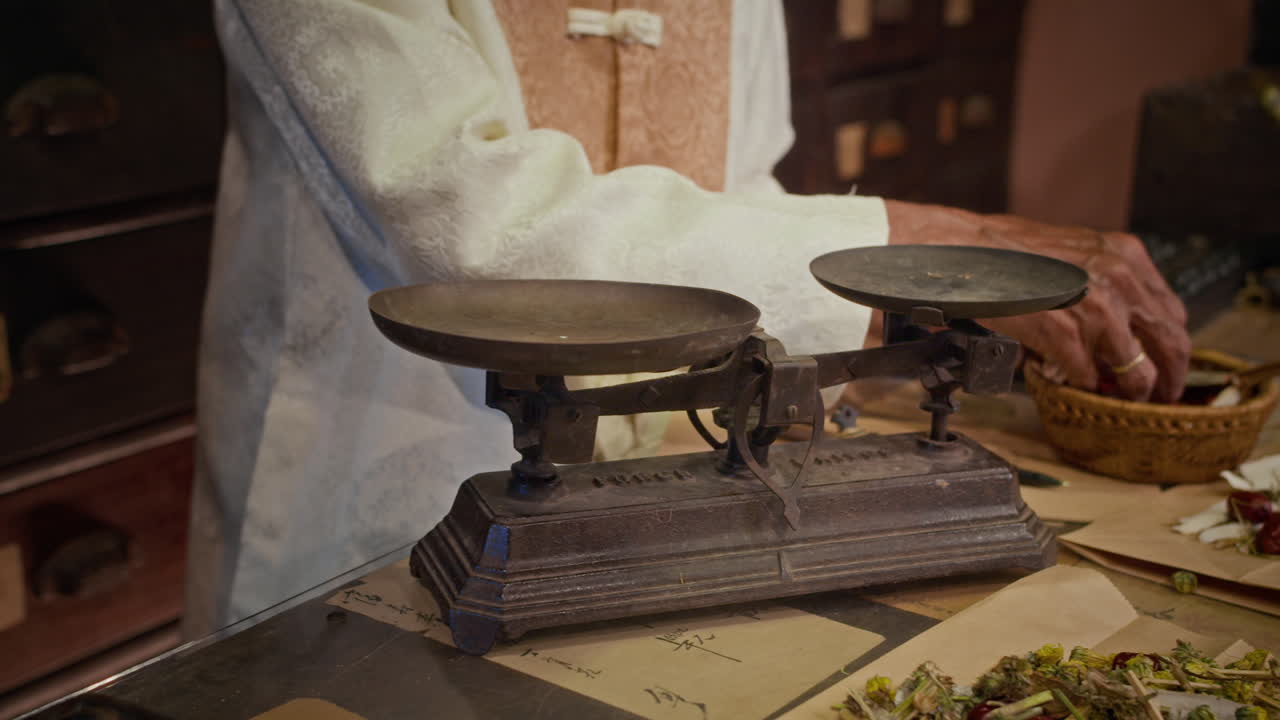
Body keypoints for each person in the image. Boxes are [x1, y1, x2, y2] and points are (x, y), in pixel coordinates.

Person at [186, 0, 1190, 637]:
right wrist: (926, 247)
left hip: (660, 513)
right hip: (377, 495)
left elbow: (731, 182)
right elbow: (474, 221)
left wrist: (805, 376)